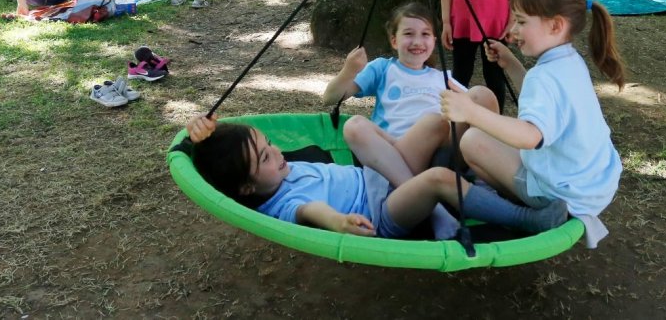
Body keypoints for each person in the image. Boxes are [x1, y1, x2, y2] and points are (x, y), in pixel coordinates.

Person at [440, 0, 624, 247]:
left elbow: (531, 136)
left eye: (522, 21)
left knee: (472, 141)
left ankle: (526, 216)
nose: (514, 30)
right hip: (593, 186)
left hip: (562, 195)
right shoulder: (571, 61)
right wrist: (511, 64)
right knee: (486, 141)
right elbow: (545, 103)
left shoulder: (544, 77)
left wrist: (471, 112)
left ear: (555, 25)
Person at [184, 113, 568, 240]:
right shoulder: (283, 203)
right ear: (247, 186)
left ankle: (480, 183)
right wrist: (339, 222)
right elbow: (312, 212)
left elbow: (210, 152)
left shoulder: (275, 174)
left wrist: (200, 132)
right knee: (437, 177)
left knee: (435, 123)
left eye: (270, 143)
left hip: (380, 175)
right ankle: (524, 219)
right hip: (381, 210)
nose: (278, 152)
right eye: (266, 156)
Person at [322, 2, 500, 237]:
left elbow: (476, 108)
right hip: (397, 157)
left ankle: (487, 181)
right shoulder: (383, 69)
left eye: (425, 34)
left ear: (434, 41)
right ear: (394, 40)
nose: (417, 41)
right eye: (408, 34)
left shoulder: (442, 77)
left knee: (481, 95)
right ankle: (435, 210)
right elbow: (330, 97)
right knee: (355, 125)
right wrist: (349, 70)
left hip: (442, 156)